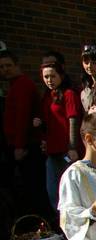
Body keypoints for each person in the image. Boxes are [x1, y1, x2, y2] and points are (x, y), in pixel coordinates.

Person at [1, 50, 43, 216]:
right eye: (2, 67)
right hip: (20, 145)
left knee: (31, 188)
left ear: (17, 66)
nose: (5, 69)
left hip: (26, 147)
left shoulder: (23, 85)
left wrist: (19, 146)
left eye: (9, 65)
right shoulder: (13, 86)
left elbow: (22, 116)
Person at [35, 62, 82, 211]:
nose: (49, 80)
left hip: (66, 151)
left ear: (61, 75)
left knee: (71, 191)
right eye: (46, 77)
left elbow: (73, 120)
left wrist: (73, 147)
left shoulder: (69, 94)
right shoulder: (47, 97)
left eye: (52, 76)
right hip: (52, 151)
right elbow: (49, 123)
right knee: (53, 192)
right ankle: (61, 226)